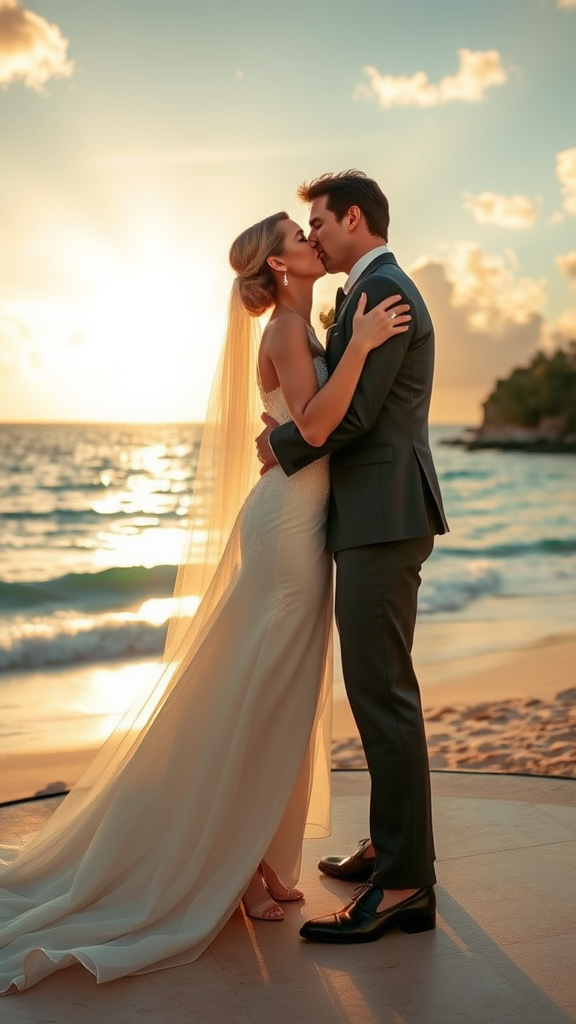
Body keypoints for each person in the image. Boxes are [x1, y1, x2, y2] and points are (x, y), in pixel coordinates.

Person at [0, 211, 410, 992]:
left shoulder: (298, 324)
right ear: (280, 264)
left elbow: (304, 424)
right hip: (288, 530)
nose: (311, 240)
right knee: (261, 699)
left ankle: (250, 857)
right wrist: (358, 347)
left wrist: (334, 366)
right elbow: (319, 425)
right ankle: (238, 868)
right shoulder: (290, 332)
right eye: (299, 234)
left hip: (297, 518)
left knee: (271, 698)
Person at [257, 171, 449, 943]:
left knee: (382, 695)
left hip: (382, 512)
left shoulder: (380, 292)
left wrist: (283, 441)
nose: (314, 236)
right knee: (379, 689)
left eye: (319, 222)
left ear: (354, 218)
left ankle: (404, 884)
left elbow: (360, 412)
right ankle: (390, 846)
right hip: (374, 512)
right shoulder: (367, 290)